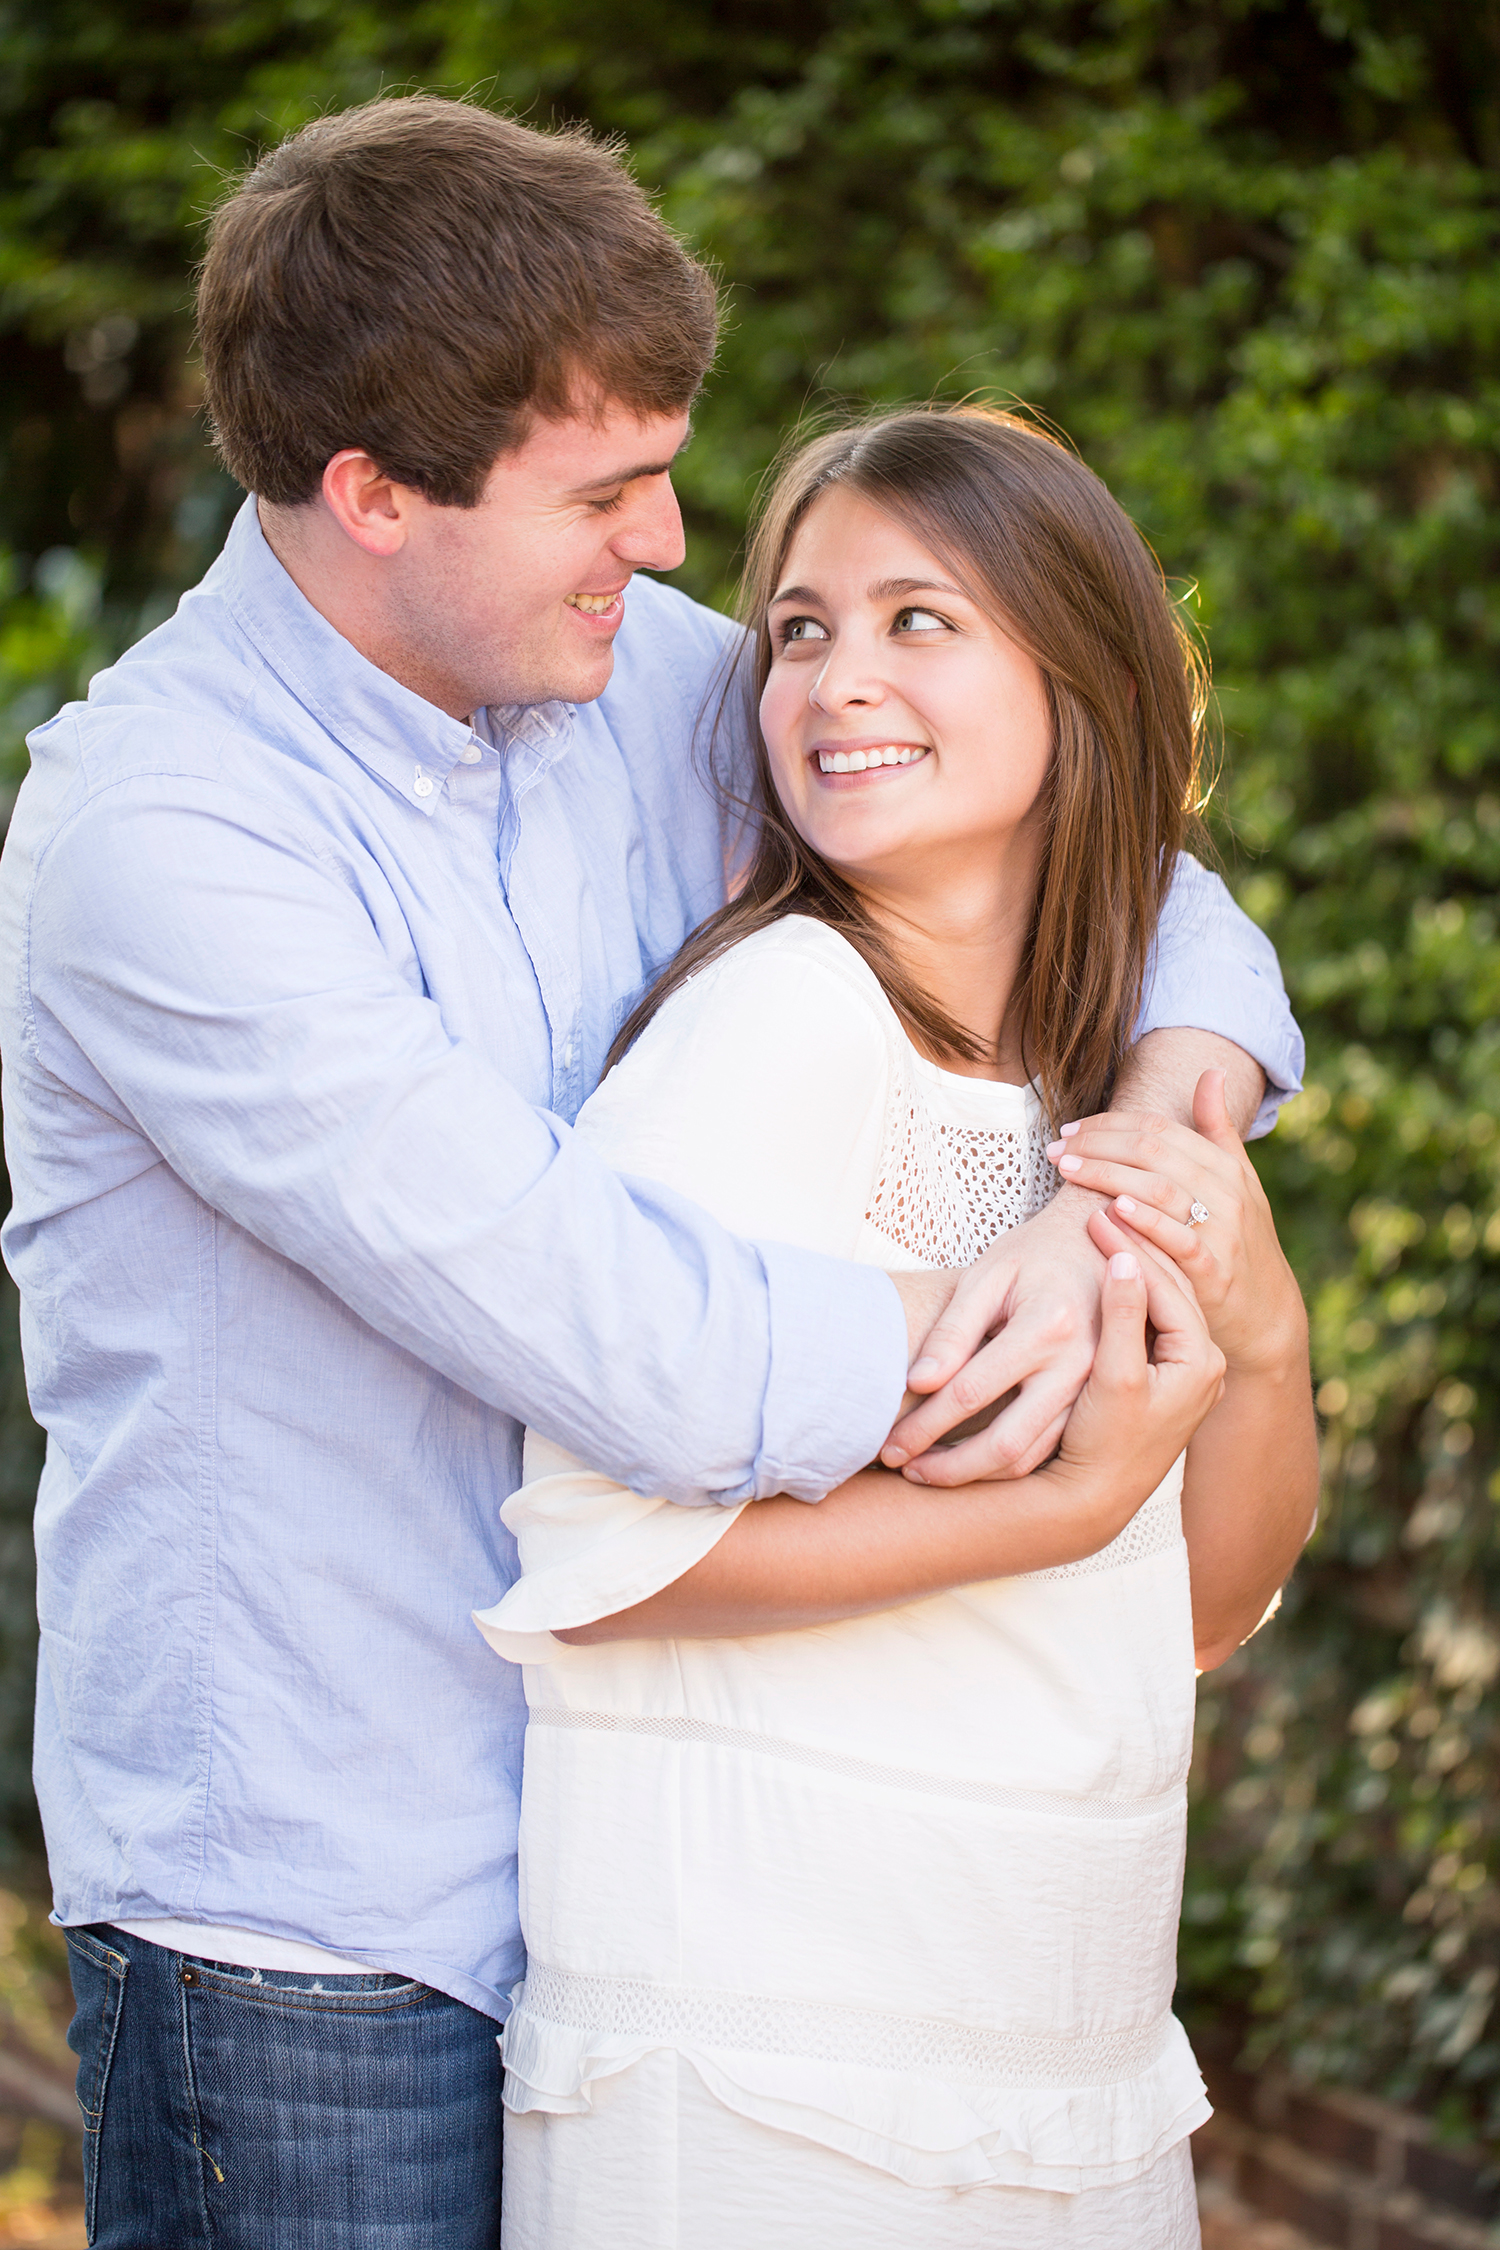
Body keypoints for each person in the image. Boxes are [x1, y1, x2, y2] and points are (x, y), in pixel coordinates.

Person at [0, 100, 1301, 2250]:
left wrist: (1138, 1157)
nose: (679, 544)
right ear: (373, 497)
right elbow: (599, 1313)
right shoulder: (166, 836)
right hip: (331, 1927)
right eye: (606, 491)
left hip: (654, 1874)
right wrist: (1045, 1414)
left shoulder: (633, 684)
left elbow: (1102, 851)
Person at [477, 407, 1319, 2249]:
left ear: (1079, 671)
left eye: (916, 618)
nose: (836, 677)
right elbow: (594, 1561)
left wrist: (1259, 1337)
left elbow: (1186, 1613)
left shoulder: (1116, 1097)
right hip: (776, 2072)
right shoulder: (778, 1023)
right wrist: (1057, 1503)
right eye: (797, 628)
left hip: (1059, 2055)